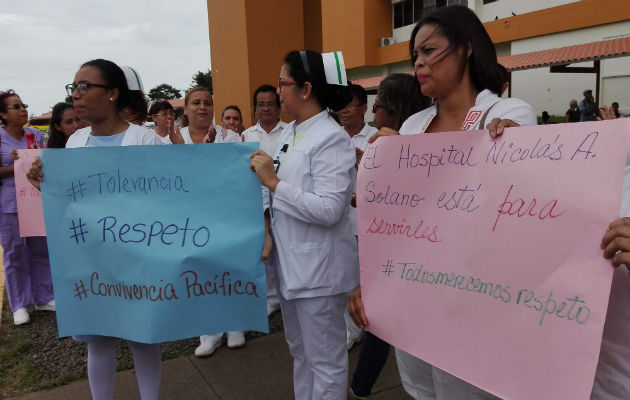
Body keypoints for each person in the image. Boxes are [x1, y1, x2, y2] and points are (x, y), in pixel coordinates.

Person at [360, 6, 537, 399]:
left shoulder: (508, 114)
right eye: (415, 55)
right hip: (415, 295)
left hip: (474, 302)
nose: (419, 63)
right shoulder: (411, 126)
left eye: (429, 50)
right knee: (421, 390)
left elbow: (502, 205)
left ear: (467, 49)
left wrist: (515, 149)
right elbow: (394, 220)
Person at [28, 59, 163, 400]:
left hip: (136, 260)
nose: (77, 95)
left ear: (114, 94)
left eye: (86, 87)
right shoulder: (76, 143)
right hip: (91, 262)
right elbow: (70, 202)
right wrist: (45, 183)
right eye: (74, 87)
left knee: (142, 337)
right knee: (98, 341)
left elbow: (165, 201)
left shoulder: (145, 141)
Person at [249, 49, 357, 399]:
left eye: (283, 83)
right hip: (291, 266)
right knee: (301, 356)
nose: (278, 91)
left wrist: (274, 184)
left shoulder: (331, 137)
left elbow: (330, 210)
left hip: (319, 275)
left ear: (306, 89)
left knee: (325, 362)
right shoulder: (291, 132)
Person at [348, 73, 431, 400]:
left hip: (414, 257)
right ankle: (360, 386)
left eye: (379, 107)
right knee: (380, 325)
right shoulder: (388, 142)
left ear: (396, 111)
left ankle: (359, 387)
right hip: (394, 252)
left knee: (382, 325)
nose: (373, 116)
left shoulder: (415, 143)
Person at [0, 90, 54, 326]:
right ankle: (19, 304)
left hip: (35, 200)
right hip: (10, 204)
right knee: (14, 253)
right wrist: (15, 165)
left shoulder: (35, 135)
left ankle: (43, 296)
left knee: (41, 249)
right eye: (15, 106)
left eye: (23, 105)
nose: (23, 109)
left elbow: (45, 163)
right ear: (2, 114)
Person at [337, 83, 378, 350]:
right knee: (345, 277)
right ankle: (351, 330)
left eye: (348, 105)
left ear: (363, 108)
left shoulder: (376, 138)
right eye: (339, 106)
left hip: (370, 221)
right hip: (340, 220)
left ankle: (373, 326)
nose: (343, 111)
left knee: (369, 278)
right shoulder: (333, 137)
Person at [242, 84, 287, 316]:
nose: (266, 108)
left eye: (271, 103)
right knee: (264, 251)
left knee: (285, 248)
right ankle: (271, 298)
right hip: (257, 201)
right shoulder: (247, 136)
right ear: (255, 108)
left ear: (279, 106)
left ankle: (285, 293)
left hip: (284, 197)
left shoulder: (289, 132)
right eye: (261, 104)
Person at [171, 87, 240, 145]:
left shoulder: (230, 137)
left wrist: (209, 149)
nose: (203, 107)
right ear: (185, 110)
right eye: (196, 103)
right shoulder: (173, 138)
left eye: (208, 104)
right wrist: (178, 149)